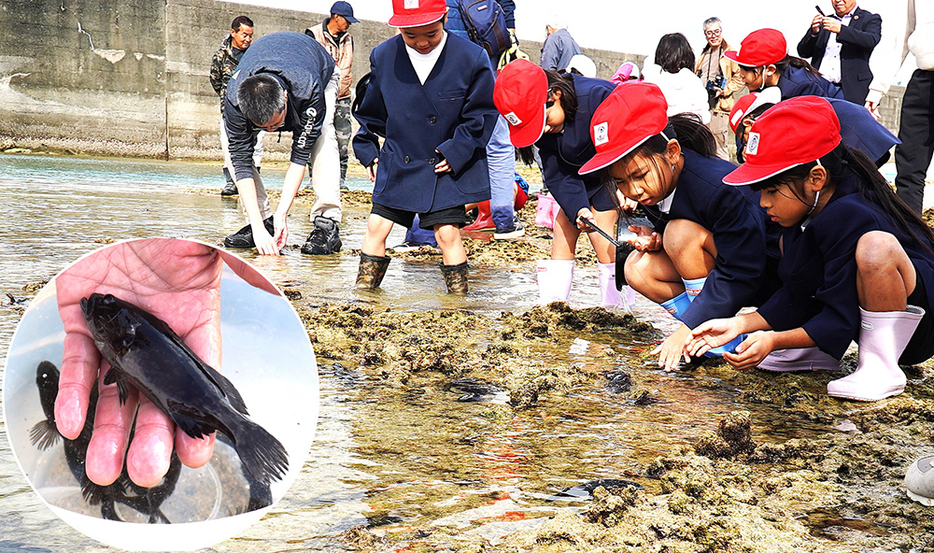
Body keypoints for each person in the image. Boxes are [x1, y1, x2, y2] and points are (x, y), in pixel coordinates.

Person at [689, 96, 934, 402]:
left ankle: (881, 364)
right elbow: (799, 294)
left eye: (771, 190)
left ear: (816, 178)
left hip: (917, 328)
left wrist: (774, 340)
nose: (763, 202)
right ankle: (816, 350)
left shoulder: (853, 212)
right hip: (864, 314)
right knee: (787, 248)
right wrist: (738, 323)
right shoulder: (808, 211)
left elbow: (840, 316)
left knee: (875, 248)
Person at [579, 83, 782, 371]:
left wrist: (686, 328)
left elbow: (743, 270)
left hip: (765, 276)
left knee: (678, 234)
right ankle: (723, 344)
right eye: (621, 182)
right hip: (723, 270)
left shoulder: (718, 188)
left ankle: (701, 331)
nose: (634, 190)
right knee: (636, 267)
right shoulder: (656, 185)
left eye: (639, 175)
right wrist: (655, 238)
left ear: (672, 152)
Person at [53, 239, 280, 488]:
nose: (98, 302)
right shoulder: (124, 336)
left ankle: (242, 432)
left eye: (108, 301)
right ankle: (240, 431)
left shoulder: (123, 340)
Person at [352, 0, 497, 294]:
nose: (421, 43)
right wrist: (368, 152)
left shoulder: (471, 56)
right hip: (399, 155)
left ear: (444, 18)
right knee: (376, 226)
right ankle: (363, 297)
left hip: (445, 160)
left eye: (430, 34)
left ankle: (458, 304)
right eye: (410, 36)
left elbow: (481, 114)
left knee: (447, 234)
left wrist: (457, 150)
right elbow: (371, 112)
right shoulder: (383, 55)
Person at [494, 59, 632, 309]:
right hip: (575, 175)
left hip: (610, 173)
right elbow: (557, 172)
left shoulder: (596, 97)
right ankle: (553, 306)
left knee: (603, 235)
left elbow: (628, 144)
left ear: (555, 95)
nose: (544, 129)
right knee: (563, 229)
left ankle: (618, 308)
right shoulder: (545, 131)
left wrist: (627, 187)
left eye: (544, 120)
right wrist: (578, 208)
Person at [222, 31, 342, 256]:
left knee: (323, 136)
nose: (271, 130)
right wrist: (257, 227)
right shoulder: (235, 99)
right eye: (263, 127)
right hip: (267, 62)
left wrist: (283, 213)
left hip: (317, 68)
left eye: (276, 124)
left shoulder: (309, 89)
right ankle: (264, 220)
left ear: (285, 98)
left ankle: (327, 221)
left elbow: (299, 157)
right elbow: (241, 161)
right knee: (232, 152)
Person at [446, 0, 524, 239]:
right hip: (485, 38)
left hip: (444, 38)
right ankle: (503, 219)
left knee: (440, 132)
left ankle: (425, 229)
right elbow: (506, 5)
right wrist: (509, 29)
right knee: (497, 137)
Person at [865, 0, 933, 216]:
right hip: (923, 78)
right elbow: (902, 37)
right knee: (909, 164)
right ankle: (910, 240)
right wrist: (878, 89)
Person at [729, 87, 899, 166]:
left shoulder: (783, 118)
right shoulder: (781, 111)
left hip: (857, 137)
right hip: (857, 134)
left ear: (749, 123)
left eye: (743, 138)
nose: (746, 143)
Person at [210, 15, 263, 197]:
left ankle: (253, 183)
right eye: (244, 35)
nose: (248, 39)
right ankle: (231, 182)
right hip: (230, 110)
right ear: (233, 33)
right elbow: (215, 81)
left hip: (253, 110)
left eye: (250, 35)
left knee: (255, 146)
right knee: (229, 146)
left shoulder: (255, 54)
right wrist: (227, 98)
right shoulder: (221, 56)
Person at [307, 1, 358, 191]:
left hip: (343, 96)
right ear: (336, 17)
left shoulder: (348, 38)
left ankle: (340, 179)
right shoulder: (313, 34)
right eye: (347, 20)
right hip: (319, 97)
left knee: (343, 139)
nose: (349, 24)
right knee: (315, 136)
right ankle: (314, 179)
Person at [796, 0, 881, 105]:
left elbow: (871, 40)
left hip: (850, 90)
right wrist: (813, 32)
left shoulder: (869, 19)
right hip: (819, 86)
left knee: (846, 120)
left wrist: (841, 30)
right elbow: (803, 52)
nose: (838, 0)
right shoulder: (826, 21)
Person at [726, 28, 844, 101]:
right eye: (740, 67)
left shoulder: (802, 88)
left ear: (770, 70)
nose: (741, 75)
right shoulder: (760, 83)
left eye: (746, 69)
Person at [695, 17, 744, 161]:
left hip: (719, 108)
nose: (713, 36)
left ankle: (724, 179)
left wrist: (725, 90)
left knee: (719, 148)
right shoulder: (704, 54)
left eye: (716, 32)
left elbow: (741, 77)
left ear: (721, 32)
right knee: (704, 147)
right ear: (705, 35)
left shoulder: (730, 53)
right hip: (703, 106)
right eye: (709, 33)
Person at [641, 33, 711, 124]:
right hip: (688, 132)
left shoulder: (651, 80)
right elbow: (703, 114)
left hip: (659, 132)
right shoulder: (693, 81)